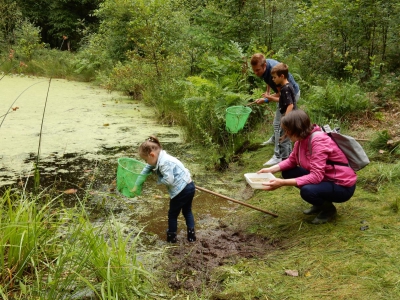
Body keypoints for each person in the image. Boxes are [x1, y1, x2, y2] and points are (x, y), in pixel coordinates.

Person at [256, 110, 357, 224]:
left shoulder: (318, 140)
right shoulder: (301, 139)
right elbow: (292, 160)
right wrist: (270, 170)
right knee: (288, 172)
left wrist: (282, 183)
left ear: (296, 128)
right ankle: (319, 203)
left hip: (341, 185)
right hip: (326, 178)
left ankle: (329, 210)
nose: (286, 133)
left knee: (307, 191)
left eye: (287, 130)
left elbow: (316, 177)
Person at [135, 136, 196, 243]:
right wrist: (136, 184)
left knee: (172, 214)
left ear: (151, 155)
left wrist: (157, 179)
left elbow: (169, 181)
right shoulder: (157, 158)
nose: (146, 162)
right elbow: (145, 170)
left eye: (145, 160)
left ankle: (171, 238)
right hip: (189, 185)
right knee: (187, 211)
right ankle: (191, 237)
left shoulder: (164, 163)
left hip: (181, 190)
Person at [250, 53, 300, 166]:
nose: (256, 73)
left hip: (291, 95)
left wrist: (267, 99)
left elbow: (280, 95)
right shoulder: (266, 68)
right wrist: (267, 93)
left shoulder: (277, 77)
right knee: (278, 124)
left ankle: (278, 156)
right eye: (254, 70)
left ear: (264, 65)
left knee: (279, 125)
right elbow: (269, 80)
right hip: (283, 95)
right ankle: (275, 139)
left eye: (257, 70)